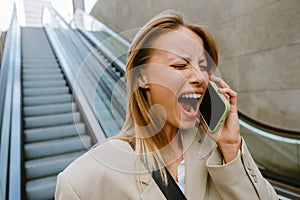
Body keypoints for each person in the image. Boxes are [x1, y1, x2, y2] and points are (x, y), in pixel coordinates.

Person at [55, 10, 278, 200]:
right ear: (141, 78)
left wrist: (230, 146)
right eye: (180, 65)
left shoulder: (220, 154)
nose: (200, 77)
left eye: (203, 66)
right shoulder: (83, 180)